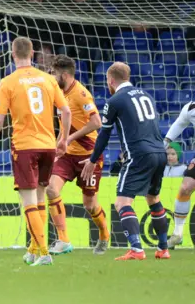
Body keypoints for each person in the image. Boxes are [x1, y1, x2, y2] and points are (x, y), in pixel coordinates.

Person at [0, 37, 71, 267]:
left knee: (28, 201)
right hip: (48, 145)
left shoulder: (8, 82)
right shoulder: (48, 79)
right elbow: (65, 110)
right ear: (32, 53)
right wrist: (62, 139)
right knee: (40, 197)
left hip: (25, 146)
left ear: (12, 55)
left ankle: (44, 252)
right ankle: (34, 249)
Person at [80, 62, 169, 260]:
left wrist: (93, 160)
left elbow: (104, 133)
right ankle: (163, 249)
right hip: (159, 152)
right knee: (153, 198)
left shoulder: (115, 100)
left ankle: (136, 249)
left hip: (138, 155)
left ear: (111, 80)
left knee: (122, 203)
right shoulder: (147, 95)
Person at [44, 55, 109, 256]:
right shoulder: (59, 94)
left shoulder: (81, 94)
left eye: (54, 73)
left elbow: (97, 122)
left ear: (64, 74)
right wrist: (57, 145)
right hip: (66, 155)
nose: (51, 77)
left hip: (88, 157)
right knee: (51, 190)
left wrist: (70, 138)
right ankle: (63, 240)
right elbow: (63, 127)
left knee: (89, 204)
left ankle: (104, 234)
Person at [163, 101, 195, 248]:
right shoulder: (190, 108)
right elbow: (180, 124)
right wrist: (164, 144)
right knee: (185, 187)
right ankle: (177, 234)